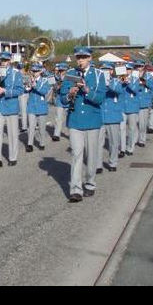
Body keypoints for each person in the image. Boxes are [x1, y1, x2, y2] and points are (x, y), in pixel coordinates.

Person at [60, 46, 107, 203]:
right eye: (78, 57)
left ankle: (90, 183)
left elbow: (100, 98)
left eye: (83, 57)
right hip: (75, 121)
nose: (80, 60)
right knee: (76, 154)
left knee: (91, 155)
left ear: (89, 59)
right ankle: (75, 190)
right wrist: (70, 94)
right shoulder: (70, 74)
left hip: (92, 120)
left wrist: (87, 90)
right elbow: (62, 99)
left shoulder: (99, 75)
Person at [0, 52, 23, 168]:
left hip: (11, 106)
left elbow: (20, 91)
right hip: (0, 106)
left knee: (12, 134)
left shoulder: (15, 73)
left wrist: (5, 91)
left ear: (9, 61)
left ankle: (13, 157)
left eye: (4, 60)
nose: (2, 62)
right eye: (1, 60)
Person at [96, 62, 123, 173]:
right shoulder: (97, 82)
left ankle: (113, 162)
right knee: (98, 142)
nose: (106, 72)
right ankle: (98, 164)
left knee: (113, 142)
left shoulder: (116, 81)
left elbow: (118, 90)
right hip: (100, 115)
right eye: (103, 70)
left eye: (108, 70)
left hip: (113, 115)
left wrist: (108, 84)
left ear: (112, 71)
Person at [26, 62, 50, 152]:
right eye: (33, 71)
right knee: (31, 126)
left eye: (36, 71)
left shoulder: (44, 80)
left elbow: (44, 91)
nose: (34, 73)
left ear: (40, 71)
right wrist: (28, 86)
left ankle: (42, 143)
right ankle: (30, 144)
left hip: (41, 106)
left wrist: (35, 86)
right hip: (31, 106)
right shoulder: (30, 79)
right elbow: (26, 89)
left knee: (41, 127)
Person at [121, 62, 140, 156]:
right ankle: (122, 149)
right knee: (121, 129)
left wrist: (128, 83)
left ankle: (130, 147)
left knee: (132, 128)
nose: (127, 71)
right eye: (125, 69)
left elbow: (135, 89)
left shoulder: (135, 79)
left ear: (131, 70)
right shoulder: (120, 79)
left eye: (128, 69)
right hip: (122, 107)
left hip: (132, 108)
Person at [136, 61, 152, 147]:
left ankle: (142, 140)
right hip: (134, 103)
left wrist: (144, 82)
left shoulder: (148, 75)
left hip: (144, 102)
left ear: (143, 66)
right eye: (137, 66)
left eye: (140, 66)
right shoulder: (133, 75)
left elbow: (152, 86)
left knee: (142, 124)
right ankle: (134, 139)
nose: (139, 67)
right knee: (134, 124)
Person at [51, 63, 69, 142]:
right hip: (59, 99)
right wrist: (57, 85)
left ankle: (71, 133)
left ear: (66, 70)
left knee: (70, 117)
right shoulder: (56, 78)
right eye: (60, 70)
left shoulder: (70, 78)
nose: (61, 72)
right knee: (58, 118)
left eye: (63, 70)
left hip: (68, 99)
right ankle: (56, 134)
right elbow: (54, 88)